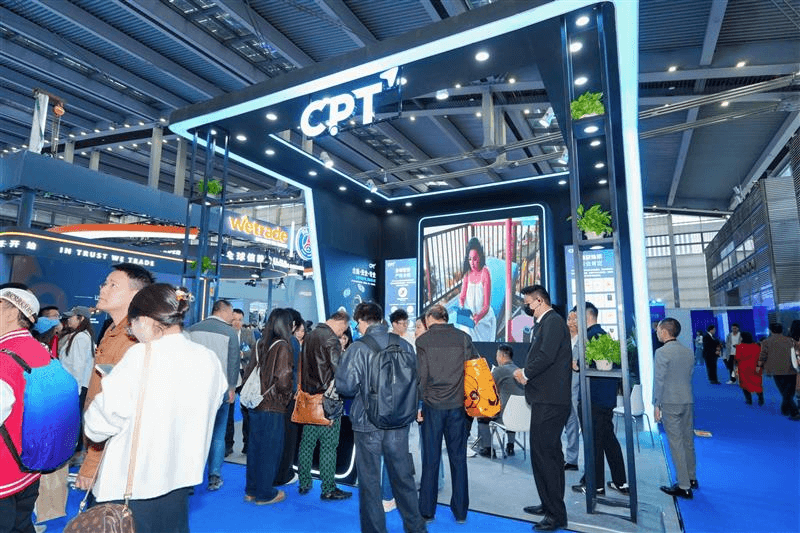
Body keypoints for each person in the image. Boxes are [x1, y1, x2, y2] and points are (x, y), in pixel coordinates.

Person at [83, 284, 226, 531]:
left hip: (131, 489)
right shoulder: (208, 358)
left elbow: (97, 427)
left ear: (147, 320)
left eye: (132, 325)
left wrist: (109, 385)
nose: (133, 333)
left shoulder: (140, 356)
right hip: (180, 484)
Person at [336, 302, 427, 533]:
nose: (357, 327)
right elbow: (416, 381)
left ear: (363, 321)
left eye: (357, 323)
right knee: (403, 479)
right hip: (399, 422)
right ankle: (417, 528)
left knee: (370, 483)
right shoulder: (404, 345)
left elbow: (345, 386)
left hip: (368, 422)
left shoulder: (358, 348)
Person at [77, 263, 154, 490]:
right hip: (103, 442)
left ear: (135, 294)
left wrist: (92, 463)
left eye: (113, 285)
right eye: (105, 283)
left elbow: (117, 407)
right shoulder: (113, 329)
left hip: (116, 452)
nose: (103, 289)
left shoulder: (133, 337)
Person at [513, 285, 572, 532]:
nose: (526, 308)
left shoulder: (553, 322)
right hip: (545, 399)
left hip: (551, 400)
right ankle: (549, 503)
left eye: (528, 303)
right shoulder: (544, 323)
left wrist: (525, 373)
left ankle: (555, 514)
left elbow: (546, 356)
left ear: (539, 301)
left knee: (545, 456)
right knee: (547, 455)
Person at [416, 304, 478, 524]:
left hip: (433, 407)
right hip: (458, 408)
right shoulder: (463, 338)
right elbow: (474, 371)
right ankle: (461, 512)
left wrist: (419, 405)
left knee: (431, 460)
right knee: (458, 460)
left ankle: (427, 511)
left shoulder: (423, 341)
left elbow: (421, 378)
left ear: (429, 319)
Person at [0, 287, 51, 533]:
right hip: (29, 465)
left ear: (12, 312)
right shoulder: (41, 350)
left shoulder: (4, 358)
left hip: (4, 470)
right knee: (21, 525)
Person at [571, 303, 627, 496]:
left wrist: (576, 365)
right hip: (605, 399)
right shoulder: (605, 336)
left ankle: (595, 486)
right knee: (608, 440)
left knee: (593, 443)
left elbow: (589, 366)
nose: (574, 322)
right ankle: (620, 482)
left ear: (586, 317)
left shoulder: (590, 337)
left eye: (576, 317)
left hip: (592, 399)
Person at [296, 310, 352, 500]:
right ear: (341, 323)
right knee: (328, 446)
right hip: (328, 401)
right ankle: (328, 488)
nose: (342, 333)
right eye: (344, 329)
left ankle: (304, 482)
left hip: (308, 399)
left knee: (307, 444)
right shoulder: (331, 339)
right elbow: (339, 372)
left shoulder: (310, 335)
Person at [241, 308, 294, 506]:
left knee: (255, 448)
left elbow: (249, 372)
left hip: (255, 403)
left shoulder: (260, 343)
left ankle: (251, 490)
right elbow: (283, 380)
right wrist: (286, 397)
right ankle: (264, 493)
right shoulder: (283, 346)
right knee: (270, 450)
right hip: (272, 405)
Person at [186, 299, 239, 491]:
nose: (232, 317)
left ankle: (189, 480)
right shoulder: (230, 333)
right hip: (220, 390)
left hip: (194, 391)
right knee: (218, 435)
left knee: (194, 435)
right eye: (231, 313)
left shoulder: (192, 330)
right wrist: (232, 389)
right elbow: (233, 363)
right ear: (222, 311)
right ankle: (214, 476)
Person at [652, 317, 697, 499]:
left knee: (676, 443)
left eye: (658, 330)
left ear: (664, 331)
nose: (657, 333)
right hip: (687, 399)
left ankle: (683, 485)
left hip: (670, 401)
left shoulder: (662, 352)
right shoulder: (688, 352)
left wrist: (656, 404)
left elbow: (659, 380)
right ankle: (692, 478)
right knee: (688, 441)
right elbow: (690, 374)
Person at [273, 308, 304, 487]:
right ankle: (284, 474)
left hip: (269, 398)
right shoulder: (292, 342)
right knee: (288, 437)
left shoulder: (267, 339)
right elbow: (295, 370)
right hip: (288, 397)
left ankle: (272, 473)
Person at [58, 306, 95, 455]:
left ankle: (74, 451)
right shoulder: (79, 336)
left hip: (75, 387)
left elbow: (78, 367)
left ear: (81, 318)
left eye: (72, 317)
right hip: (74, 386)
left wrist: (75, 391)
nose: (68, 320)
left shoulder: (81, 338)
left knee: (73, 421)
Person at [477, 344, 524, 458]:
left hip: (505, 417)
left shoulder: (499, 370)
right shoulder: (519, 371)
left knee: (481, 416)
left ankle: (487, 448)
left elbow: (487, 389)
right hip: (521, 417)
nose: (496, 358)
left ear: (502, 356)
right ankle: (510, 445)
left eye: (497, 356)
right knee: (511, 410)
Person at [225, 308, 256, 457]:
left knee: (247, 411)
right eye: (234, 319)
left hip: (244, 375)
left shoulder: (247, 333)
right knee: (228, 412)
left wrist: (242, 353)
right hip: (230, 375)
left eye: (239, 320)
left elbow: (254, 350)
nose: (237, 323)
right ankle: (228, 445)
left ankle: (247, 445)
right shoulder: (226, 333)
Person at [456, 237, 496, 342]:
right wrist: (461, 308)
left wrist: (478, 317)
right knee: (466, 333)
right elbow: (462, 297)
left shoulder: (485, 273)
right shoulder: (467, 274)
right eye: (470, 259)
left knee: (471, 337)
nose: (472, 263)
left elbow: (486, 306)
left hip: (483, 317)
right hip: (470, 316)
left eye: (475, 259)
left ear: (480, 257)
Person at [757, 323, 799, 421]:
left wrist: (759, 367)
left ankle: (793, 412)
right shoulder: (790, 340)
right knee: (789, 391)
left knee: (784, 391)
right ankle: (786, 409)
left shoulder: (766, 342)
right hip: (791, 368)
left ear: (771, 331)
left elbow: (763, 356)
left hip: (776, 370)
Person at [563, 310, 580, 471]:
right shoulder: (562, 340)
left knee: (575, 425)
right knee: (569, 426)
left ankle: (573, 460)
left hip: (578, 391)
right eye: (569, 319)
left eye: (575, 319)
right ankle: (570, 460)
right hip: (561, 388)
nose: (571, 322)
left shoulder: (585, 341)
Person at [734, 332, 763, 405]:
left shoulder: (739, 347)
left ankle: (749, 400)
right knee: (757, 383)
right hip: (755, 368)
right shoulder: (756, 346)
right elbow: (760, 357)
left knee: (745, 384)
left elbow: (737, 358)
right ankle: (760, 398)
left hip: (744, 368)